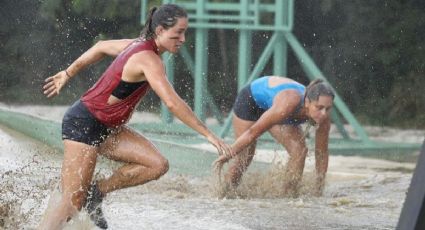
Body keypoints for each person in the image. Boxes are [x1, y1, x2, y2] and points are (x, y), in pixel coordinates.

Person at [39, 4, 231, 230]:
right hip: (84, 123)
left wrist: (69, 73)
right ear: (160, 30)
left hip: (107, 128)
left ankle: (97, 192)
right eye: (178, 32)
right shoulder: (149, 59)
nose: (183, 38)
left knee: (157, 164)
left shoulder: (137, 45)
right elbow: (172, 102)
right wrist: (208, 134)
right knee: (72, 203)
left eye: (184, 32)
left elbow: (100, 47)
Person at [213, 76, 334, 198]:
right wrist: (229, 154)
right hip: (251, 102)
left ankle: (289, 197)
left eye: (328, 109)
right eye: (319, 108)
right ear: (307, 102)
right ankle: (222, 194)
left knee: (299, 150)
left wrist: (319, 187)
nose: (323, 114)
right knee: (244, 158)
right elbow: (252, 133)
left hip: (274, 108)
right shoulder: (288, 104)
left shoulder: (323, 118)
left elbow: (321, 153)